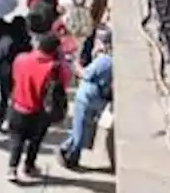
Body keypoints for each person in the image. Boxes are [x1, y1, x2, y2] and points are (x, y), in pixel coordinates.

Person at [6, 33, 70, 181]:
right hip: (40, 111)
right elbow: (64, 83)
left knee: (17, 139)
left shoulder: (21, 59)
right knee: (35, 141)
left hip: (18, 105)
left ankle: (12, 168)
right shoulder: (55, 68)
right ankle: (29, 166)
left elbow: (14, 77)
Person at [58, 28, 113, 170]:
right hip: (94, 99)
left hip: (87, 99)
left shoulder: (104, 61)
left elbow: (85, 74)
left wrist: (73, 63)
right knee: (82, 129)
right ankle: (70, 153)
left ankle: (68, 152)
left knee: (80, 129)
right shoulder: (106, 59)